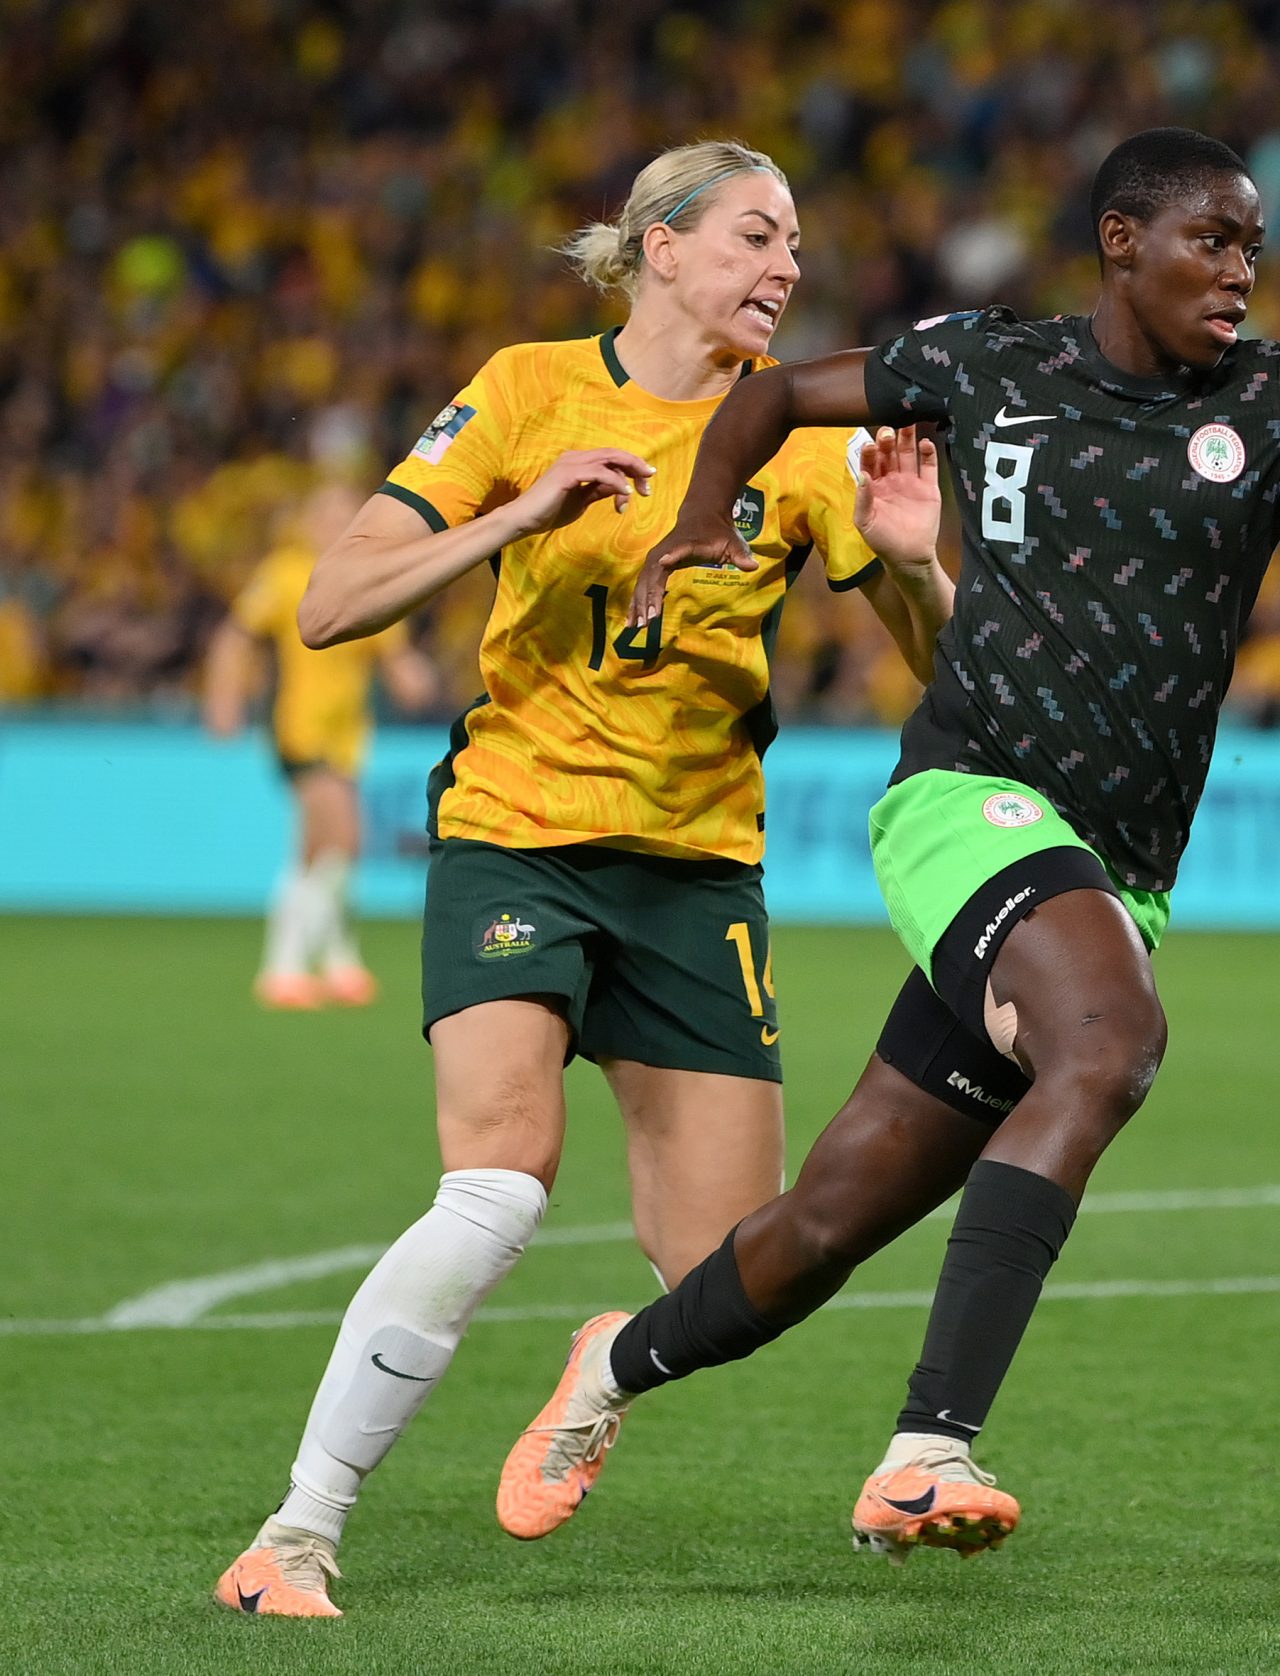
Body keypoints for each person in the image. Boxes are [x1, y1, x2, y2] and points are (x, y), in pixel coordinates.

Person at [493, 127, 1280, 1563]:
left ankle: (608, 1369)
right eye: (1212, 242)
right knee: (1109, 1047)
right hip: (973, 794)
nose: (1240, 274)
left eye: (1255, 249)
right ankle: (925, 1452)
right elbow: (771, 398)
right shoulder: (990, 365)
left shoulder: (1278, 404)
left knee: (828, 1225)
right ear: (1122, 244)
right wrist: (701, 516)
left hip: (1117, 861)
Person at [214, 138, 953, 1618]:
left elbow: (951, 687)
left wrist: (917, 562)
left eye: (796, 244)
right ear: (660, 248)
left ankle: (603, 1367)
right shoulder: (526, 388)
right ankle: (294, 1537)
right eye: (755, 236)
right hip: (519, 835)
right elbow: (329, 603)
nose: (785, 268)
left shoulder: (806, 438)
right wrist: (518, 512)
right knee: (496, 1182)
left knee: (741, 1272)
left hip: (697, 872)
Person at [203, 480, 442, 1007]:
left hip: (347, 737)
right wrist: (223, 695)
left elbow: (394, 658)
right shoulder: (287, 572)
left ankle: (335, 961)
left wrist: (413, 677)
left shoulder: (366, 579)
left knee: (326, 849)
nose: (338, 524)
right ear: (308, 523)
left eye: (346, 515)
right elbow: (236, 634)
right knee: (340, 837)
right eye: (328, 514)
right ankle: (283, 965)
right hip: (298, 727)